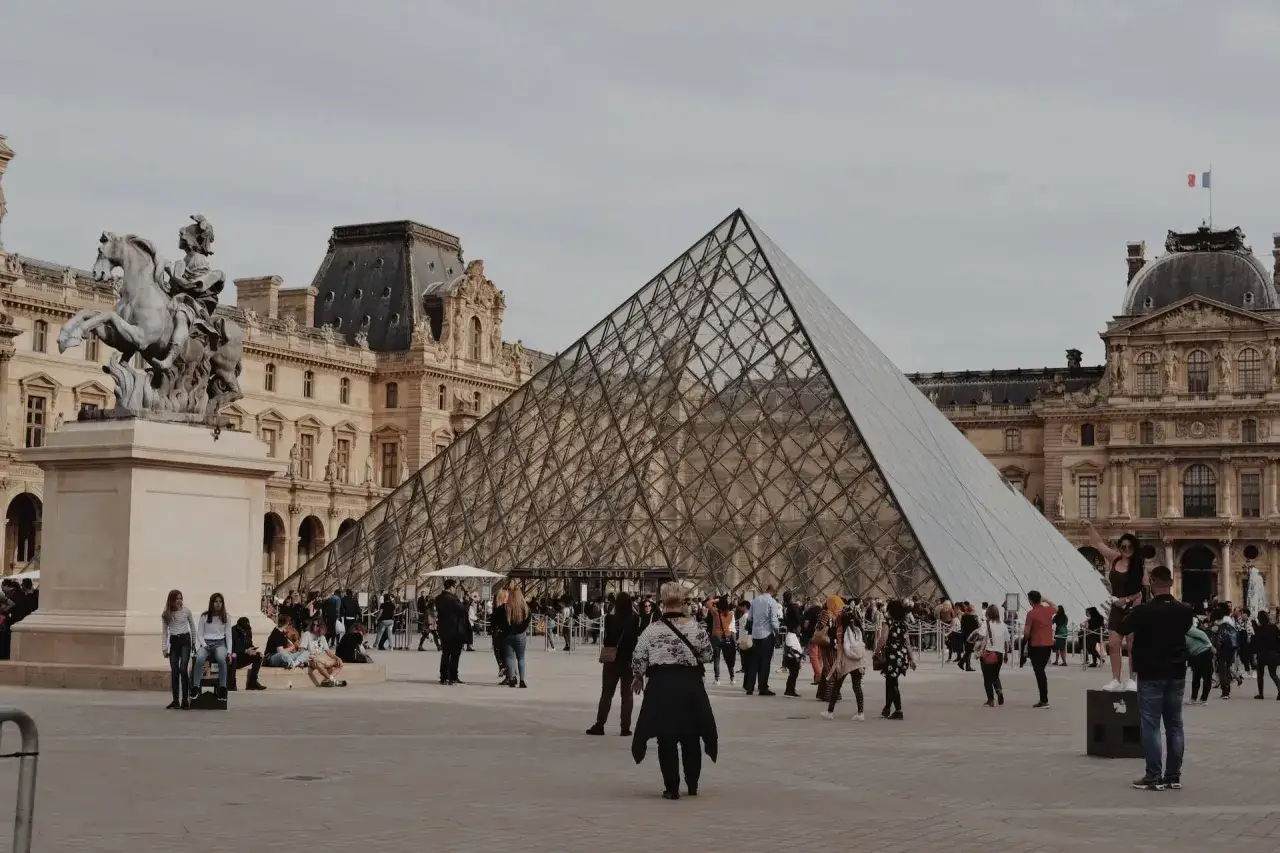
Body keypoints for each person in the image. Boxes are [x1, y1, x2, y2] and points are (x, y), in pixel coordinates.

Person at [630, 582, 717, 800]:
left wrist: (638, 677)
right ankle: (693, 783)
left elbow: (638, 658)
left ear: (662, 601)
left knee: (666, 737)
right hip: (689, 686)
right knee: (691, 735)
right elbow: (708, 655)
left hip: (661, 686)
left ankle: (672, 788)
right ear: (682, 601)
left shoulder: (651, 630)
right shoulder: (695, 627)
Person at [1118, 565, 1192, 791]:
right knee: (1175, 725)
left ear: (1151, 582)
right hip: (1177, 672)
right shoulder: (1185, 610)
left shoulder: (1143, 611)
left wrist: (1133, 604)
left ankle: (1153, 775)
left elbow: (1123, 627)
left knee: (1151, 725)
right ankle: (1173, 776)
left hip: (1151, 673)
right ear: (1170, 583)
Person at [1087, 524, 1146, 691]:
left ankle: (1133, 679)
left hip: (1133, 608)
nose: (1126, 549)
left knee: (1132, 645)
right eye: (1123, 546)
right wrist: (1089, 527)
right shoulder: (1114, 559)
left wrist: (1126, 600)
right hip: (1116, 607)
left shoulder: (1139, 566)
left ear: (1134, 548)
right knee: (1113, 644)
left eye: (1129, 547)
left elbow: (1142, 591)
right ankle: (1115, 679)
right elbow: (1099, 544)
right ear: (1120, 547)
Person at [588, 592, 640, 735]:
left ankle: (600, 724)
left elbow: (607, 640)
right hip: (629, 661)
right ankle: (625, 728)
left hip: (612, 661)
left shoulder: (610, 619)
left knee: (606, 694)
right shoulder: (635, 620)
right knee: (627, 696)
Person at [820, 605, 867, 720]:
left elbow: (841, 647)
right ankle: (860, 713)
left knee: (837, 686)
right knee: (857, 686)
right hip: (858, 660)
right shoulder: (858, 628)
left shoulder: (841, 629)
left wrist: (838, 662)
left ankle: (830, 712)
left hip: (846, 660)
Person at [875, 598, 915, 719]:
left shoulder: (888, 622)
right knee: (891, 682)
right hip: (901, 656)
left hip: (892, 655)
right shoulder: (903, 624)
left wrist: (876, 651)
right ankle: (887, 708)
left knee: (892, 684)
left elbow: (883, 638)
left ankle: (898, 710)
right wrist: (912, 658)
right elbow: (907, 643)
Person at [191, 593, 233, 700]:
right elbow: (199, 634)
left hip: (220, 643)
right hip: (206, 643)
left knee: (221, 659)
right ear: (212, 603)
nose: (218, 604)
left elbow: (228, 635)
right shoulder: (204, 616)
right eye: (216, 601)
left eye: (220, 601)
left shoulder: (226, 617)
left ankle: (223, 688)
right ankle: (195, 687)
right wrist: (204, 645)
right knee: (199, 658)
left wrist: (229, 651)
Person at [160, 589, 198, 709]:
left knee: (183, 669)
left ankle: (185, 700)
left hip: (185, 641)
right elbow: (165, 632)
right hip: (174, 642)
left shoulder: (186, 611)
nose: (179, 601)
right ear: (171, 600)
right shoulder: (167, 614)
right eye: (177, 599)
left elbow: (192, 627)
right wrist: (164, 647)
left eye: (181, 598)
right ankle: (176, 700)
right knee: (175, 671)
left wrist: (194, 643)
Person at [743, 583, 781, 696]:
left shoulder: (755, 600)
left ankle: (749, 687)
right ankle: (762, 687)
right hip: (766, 635)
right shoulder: (772, 603)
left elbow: (750, 618)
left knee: (753, 662)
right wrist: (777, 632)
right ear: (773, 591)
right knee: (765, 663)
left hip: (755, 635)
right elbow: (773, 621)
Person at [971, 604, 1009, 706]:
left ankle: (990, 699)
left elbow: (980, 637)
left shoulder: (986, 624)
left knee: (987, 677)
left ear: (988, 613)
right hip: (1000, 654)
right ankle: (999, 690)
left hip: (988, 653)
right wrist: (1006, 655)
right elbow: (1007, 641)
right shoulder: (1003, 625)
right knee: (995, 675)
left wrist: (976, 649)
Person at [1022, 590, 1055, 708]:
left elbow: (1026, 632)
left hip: (1036, 645)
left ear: (1030, 600)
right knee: (1041, 670)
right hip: (1048, 645)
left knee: (1039, 671)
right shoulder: (1047, 610)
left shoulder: (1031, 613)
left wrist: (1024, 643)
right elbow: (1056, 607)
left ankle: (1044, 700)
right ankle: (1043, 699)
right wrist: (1046, 600)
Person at [435, 579, 469, 685]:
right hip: (455, 629)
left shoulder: (438, 598)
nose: (455, 589)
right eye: (454, 587)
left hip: (443, 629)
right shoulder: (453, 599)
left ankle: (443, 677)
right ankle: (453, 677)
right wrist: (466, 601)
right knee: (455, 654)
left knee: (445, 653)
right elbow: (463, 610)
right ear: (450, 587)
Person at [499, 587, 531, 688]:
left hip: (508, 635)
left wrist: (509, 629)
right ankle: (522, 680)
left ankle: (512, 678)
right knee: (521, 658)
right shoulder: (525, 608)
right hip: (521, 635)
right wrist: (520, 629)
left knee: (509, 657)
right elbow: (527, 622)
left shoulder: (505, 608)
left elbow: (502, 622)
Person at [228, 616, 266, 691]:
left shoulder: (248, 631)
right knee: (234, 657)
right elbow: (232, 647)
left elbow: (249, 644)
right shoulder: (233, 631)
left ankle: (253, 683)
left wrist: (253, 649)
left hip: (245, 655)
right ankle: (232, 684)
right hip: (236, 656)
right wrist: (245, 651)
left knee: (259, 656)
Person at [707, 595, 736, 685]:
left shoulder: (715, 612)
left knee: (716, 658)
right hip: (726, 636)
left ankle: (717, 679)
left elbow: (707, 603)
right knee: (728, 658)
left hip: (716, 638)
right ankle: (732, 678)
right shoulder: (730, 614)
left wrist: (716, 599)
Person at [1185, 618, 1214, 705]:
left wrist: (1210, 645)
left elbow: (1202, 634)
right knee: (1196, 677)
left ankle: (1204, 699)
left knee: (1207, 677)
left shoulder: (1188, 629)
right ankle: (1193, 698)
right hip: (1195, 655)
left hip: (1204, 652)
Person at [1253, 610, 1280, 699]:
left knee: (1260, 675)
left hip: (1262, 654)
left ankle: (1261, 693)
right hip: (1273, 654)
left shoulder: (1258, 629)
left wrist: (1254, 655)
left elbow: (1256, 643)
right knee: (1273, 674)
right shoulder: (1274, 627)